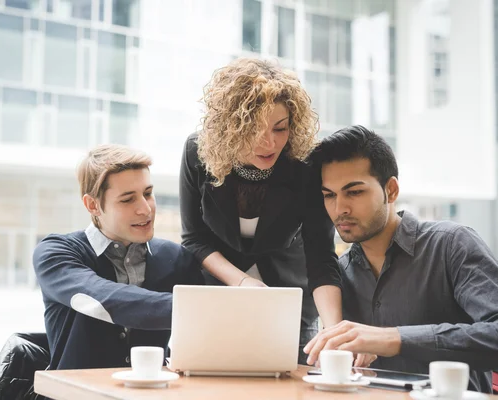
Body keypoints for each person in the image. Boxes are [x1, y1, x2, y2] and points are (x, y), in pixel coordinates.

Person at [304, 125, 498, 393]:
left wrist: (392, 338)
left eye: (354, 192)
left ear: (391, 190)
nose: (340, 209)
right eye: (329, 195)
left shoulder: (452, 245)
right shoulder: (339, 278)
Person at [179, 57, 344, 362]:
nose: (269, 142)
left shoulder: (306, 164)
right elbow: (194, 239)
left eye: (280, 129)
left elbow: (321, 254)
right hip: (217, 296)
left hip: (290, 303)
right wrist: (241, 281)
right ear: (230, 128)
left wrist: (335, 331)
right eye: (253, 129)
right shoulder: (197, 153)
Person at [33, 145, 204, 370]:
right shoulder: (56, 253)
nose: (145, 209)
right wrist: (200, 308)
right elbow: (101, 298)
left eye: (148, 193)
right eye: (127, 200)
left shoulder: (175, 257)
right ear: (93, 205)